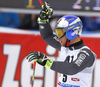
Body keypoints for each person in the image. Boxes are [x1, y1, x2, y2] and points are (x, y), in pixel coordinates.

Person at [26, 2, 96, 87]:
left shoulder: (86, 53)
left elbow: (73, 68)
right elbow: (47, 36)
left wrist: (46, 61)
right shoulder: (65, 46)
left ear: (72, 32)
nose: (58, 37)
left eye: (60, 33)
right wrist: (43, 21)